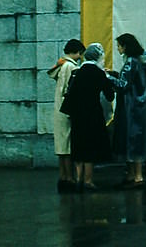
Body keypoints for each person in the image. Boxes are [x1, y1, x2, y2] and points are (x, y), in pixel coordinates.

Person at [109, 32, 146, 187]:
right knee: (132, 140)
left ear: (125, 46)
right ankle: (133, 174)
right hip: (136, 105)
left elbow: (123, 84)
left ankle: (137, 175)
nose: (117, 48)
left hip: (132, 107)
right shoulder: (136, 61)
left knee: (133, 140)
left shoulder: (131, 62)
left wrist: (107, 77)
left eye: (119, 45)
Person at [66, 42, 117, 191]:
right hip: (92, 113)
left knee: (78, 146)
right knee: (90, 148)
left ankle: (78, 178)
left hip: (77, 114)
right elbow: (109, 95)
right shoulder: (98, 73)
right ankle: (88, 180)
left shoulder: (77, 72)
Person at [48, 38, 85, 193]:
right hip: (67, 110)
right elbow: (68, 90)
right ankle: (70, 177)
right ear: (76, 52)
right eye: (80, 54)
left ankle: (63, 175)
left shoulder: (61, 64)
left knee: (61, 147)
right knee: (68, 147)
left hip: (58, 110)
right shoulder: (70, 67)